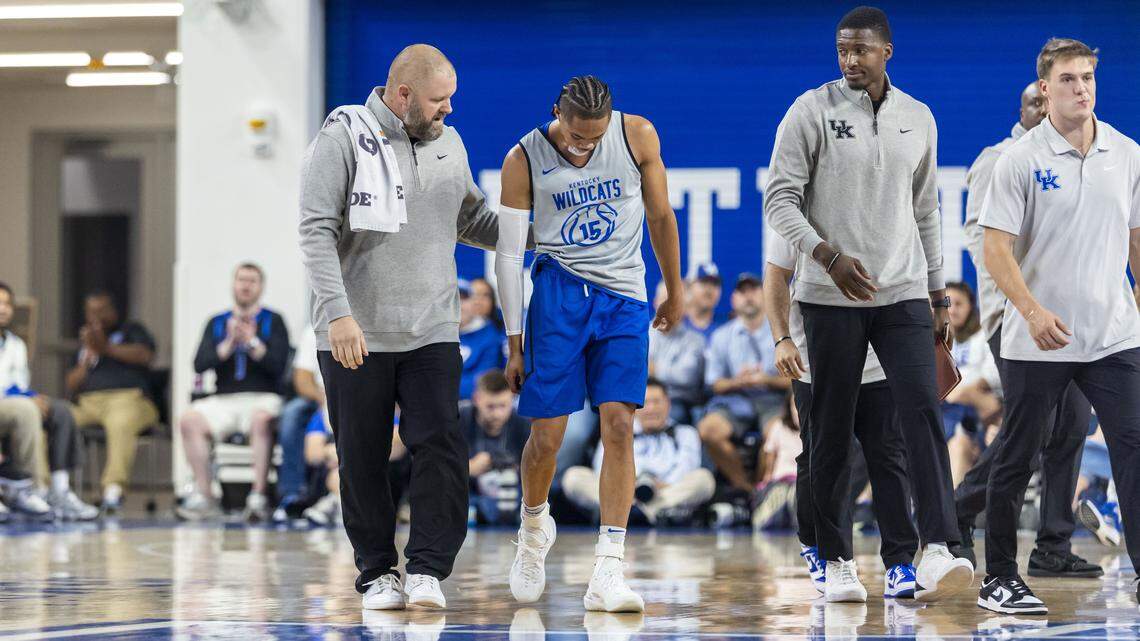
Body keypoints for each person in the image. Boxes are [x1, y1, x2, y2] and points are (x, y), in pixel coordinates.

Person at [764, 6, 973, 603]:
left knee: (921, 414)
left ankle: (935, 547)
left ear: (887, 52)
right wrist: (826, 255)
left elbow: (927, 210)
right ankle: (834, 559)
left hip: (903, 291)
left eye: (861, 50)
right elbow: (779, 200)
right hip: (829, 296)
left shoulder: (918, 117)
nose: (849, 60)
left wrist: (937, 294)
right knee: (828, 435)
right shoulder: (810, 110)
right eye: (841, 49)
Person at [299, 44, 503, 611]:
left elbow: (472, 219)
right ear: (404, 94)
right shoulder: (341, 138)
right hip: (354, 331)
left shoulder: (450, 143)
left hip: (433, 327)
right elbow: (314, 230)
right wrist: (338, 313)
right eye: (440, 101)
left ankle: (428, 570)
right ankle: (376, 573)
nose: (449, 111)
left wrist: (538, 236)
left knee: (440, 441)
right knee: (361, 455)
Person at [496, 74, 683, 612]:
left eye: (595, 138)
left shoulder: (636, 135)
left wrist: (673, 286)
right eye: (578, 137)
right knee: (548, 437)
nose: (586, 146)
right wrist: (514, 342)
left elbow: (660, 215)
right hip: (557, 294)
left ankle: (609, 567)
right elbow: (508, 256)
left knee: (620, 423)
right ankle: (534, 528)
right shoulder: (523, 158)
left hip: (624, 296)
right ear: (557, 112)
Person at [977, 37, 1140, 613]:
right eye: (1069, 79)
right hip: (1038, 338)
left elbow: (1137, 238)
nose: (1082, 89)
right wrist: (1031, 311)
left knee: (1134, 445)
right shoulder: (1018, 160)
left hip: (1114, 335)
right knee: (1016, 456)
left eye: (1089, 78)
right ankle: (998, 576)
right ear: (1045, 88)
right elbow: (995, 249)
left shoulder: (1127, 153)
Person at [951, 81, 1099, 583]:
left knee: (1073, 426)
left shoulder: (1075, 158)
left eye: (1048, 100)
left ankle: (1053, 544)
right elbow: (983, 245)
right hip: (1017, 318)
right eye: (1034, 101)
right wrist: (1022, 307)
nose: (1044, 108)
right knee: (1032, 432)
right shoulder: (1000, 159)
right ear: (1022, 109)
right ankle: (957, 509)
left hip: (1076, 319)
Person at [764, 230, 921, 600]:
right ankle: (821, 549)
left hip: (878, 356)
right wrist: (781, 338)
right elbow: (775, 275)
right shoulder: (801, 210)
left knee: (889, 454)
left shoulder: (885, 205)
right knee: (821, 454)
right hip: (816, 356)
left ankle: (900, 561)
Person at [176, 263, 290, 522]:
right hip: (224, 399)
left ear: (260, 287)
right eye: (241, 280)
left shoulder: (274, 321)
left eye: (252, 281)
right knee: (189, 420)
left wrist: (251, 342)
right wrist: (228, 344)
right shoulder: (216, 322)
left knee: (262, 419)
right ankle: (206, 496)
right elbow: (199, 364)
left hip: (263, 397)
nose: (246, 286)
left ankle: (258, 496)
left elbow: (279, 366)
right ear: (233, 284)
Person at [0, 282, 97, 520]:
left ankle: (59, 489)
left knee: (61, 410)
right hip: (10, 404)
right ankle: (34, 488)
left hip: (11, 402)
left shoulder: (16, 345)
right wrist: (27, 399)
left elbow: (18, 384)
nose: (3, 309)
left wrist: (31, 396)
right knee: (26, 410)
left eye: (7, 304)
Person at [562, 378, 714, 526]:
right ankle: (644, 512)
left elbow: (688, 467)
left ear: (668, 404)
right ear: (636, 406)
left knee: (704, 479)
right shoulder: (618, 432)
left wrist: (660, 485)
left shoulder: (686, 433)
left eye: (656, 402)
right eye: (646, 403)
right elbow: (601, 468)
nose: (651, 409)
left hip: (665, 493)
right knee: (573, 477)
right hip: (623, 493)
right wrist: (630, 485)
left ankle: (640, 513)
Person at [65, 290, 159, 514]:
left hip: (129, 399)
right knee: (55, 417)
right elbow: (71, 383)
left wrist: (105, 347)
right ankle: (46, 488)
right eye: (91, 311)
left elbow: (145, 356)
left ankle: (113, 490)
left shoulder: (132, 330)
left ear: (113, 311)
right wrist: (87, 359)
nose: (96, 316)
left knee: (120, 421)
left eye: (101, 310)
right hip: (88, 403)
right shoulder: (86, 341)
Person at [697, 273, 787, 494]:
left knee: (779, 433)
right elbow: (714, 383)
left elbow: (795, 380)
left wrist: (765, 379)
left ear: (765, 296)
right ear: (733, 300)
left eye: (754, 291)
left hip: (772, 400)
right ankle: (745, 488)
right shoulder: (721, 336)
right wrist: (737, 381)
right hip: (734, 400)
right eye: (742, 292)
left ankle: (762, 489)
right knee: (709, 430)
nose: (748, 297)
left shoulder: (783, 331)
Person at [941, 282, 1001, 484]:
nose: (953, 309)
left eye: (959, 304)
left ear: (970, 307)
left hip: (975, 406)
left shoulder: (982, 335)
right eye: (948, 303)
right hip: (942, 409)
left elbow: (992, 374)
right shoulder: (929, 337)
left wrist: (966, 390)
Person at [462, 371, 528, 524]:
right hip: (466, 495)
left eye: (503, 406)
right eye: (490, 406)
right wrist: (467, 467)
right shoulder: (460, 419)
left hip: (513, 500)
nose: (497, 414)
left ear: (512, 400)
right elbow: (437, 464)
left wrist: (518, 470)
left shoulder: (522, 425)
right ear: (477, 399)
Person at [273, 324, 324, 522]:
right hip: (320, 397)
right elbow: (302, 380)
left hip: (359, 397)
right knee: (291, 414)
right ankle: (292, 492)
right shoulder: (313, 331)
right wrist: (324, 399)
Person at [648, 281, 706, 425]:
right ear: (655, 302)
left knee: (674, 414)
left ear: (685, 308)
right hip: (638, 399)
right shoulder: (640, 333)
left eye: (674, 302)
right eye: (663, 301)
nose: (667, 308)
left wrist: (653, 369)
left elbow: (685, 377)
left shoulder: (695, 340)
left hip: (676, 401)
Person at [458, 279, 506, 401]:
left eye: (464, 299)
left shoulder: (490, 336)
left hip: (472, 406)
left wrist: (441, 386)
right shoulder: (434, 335)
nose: (459, 305)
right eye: (453, 299)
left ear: (473, 303)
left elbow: (483, 384)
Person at [684, 263, 723, 341]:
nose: (709, 289)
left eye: (715, 284)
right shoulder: (676, 326)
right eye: (704, 282)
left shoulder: (725, 330)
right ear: (689, 287)